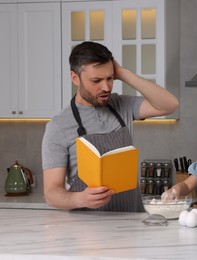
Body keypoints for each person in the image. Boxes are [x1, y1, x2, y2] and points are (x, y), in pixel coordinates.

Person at [41, 41, 179, 211]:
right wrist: (80, 199)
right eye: (96, 80)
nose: (106, 87)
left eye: (110, 78)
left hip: (131, 222)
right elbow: (51, 192)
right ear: (75, 78)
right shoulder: (59, 126)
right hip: (86, 230)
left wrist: (123, 73)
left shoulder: (121, 105)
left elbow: (170, 105)